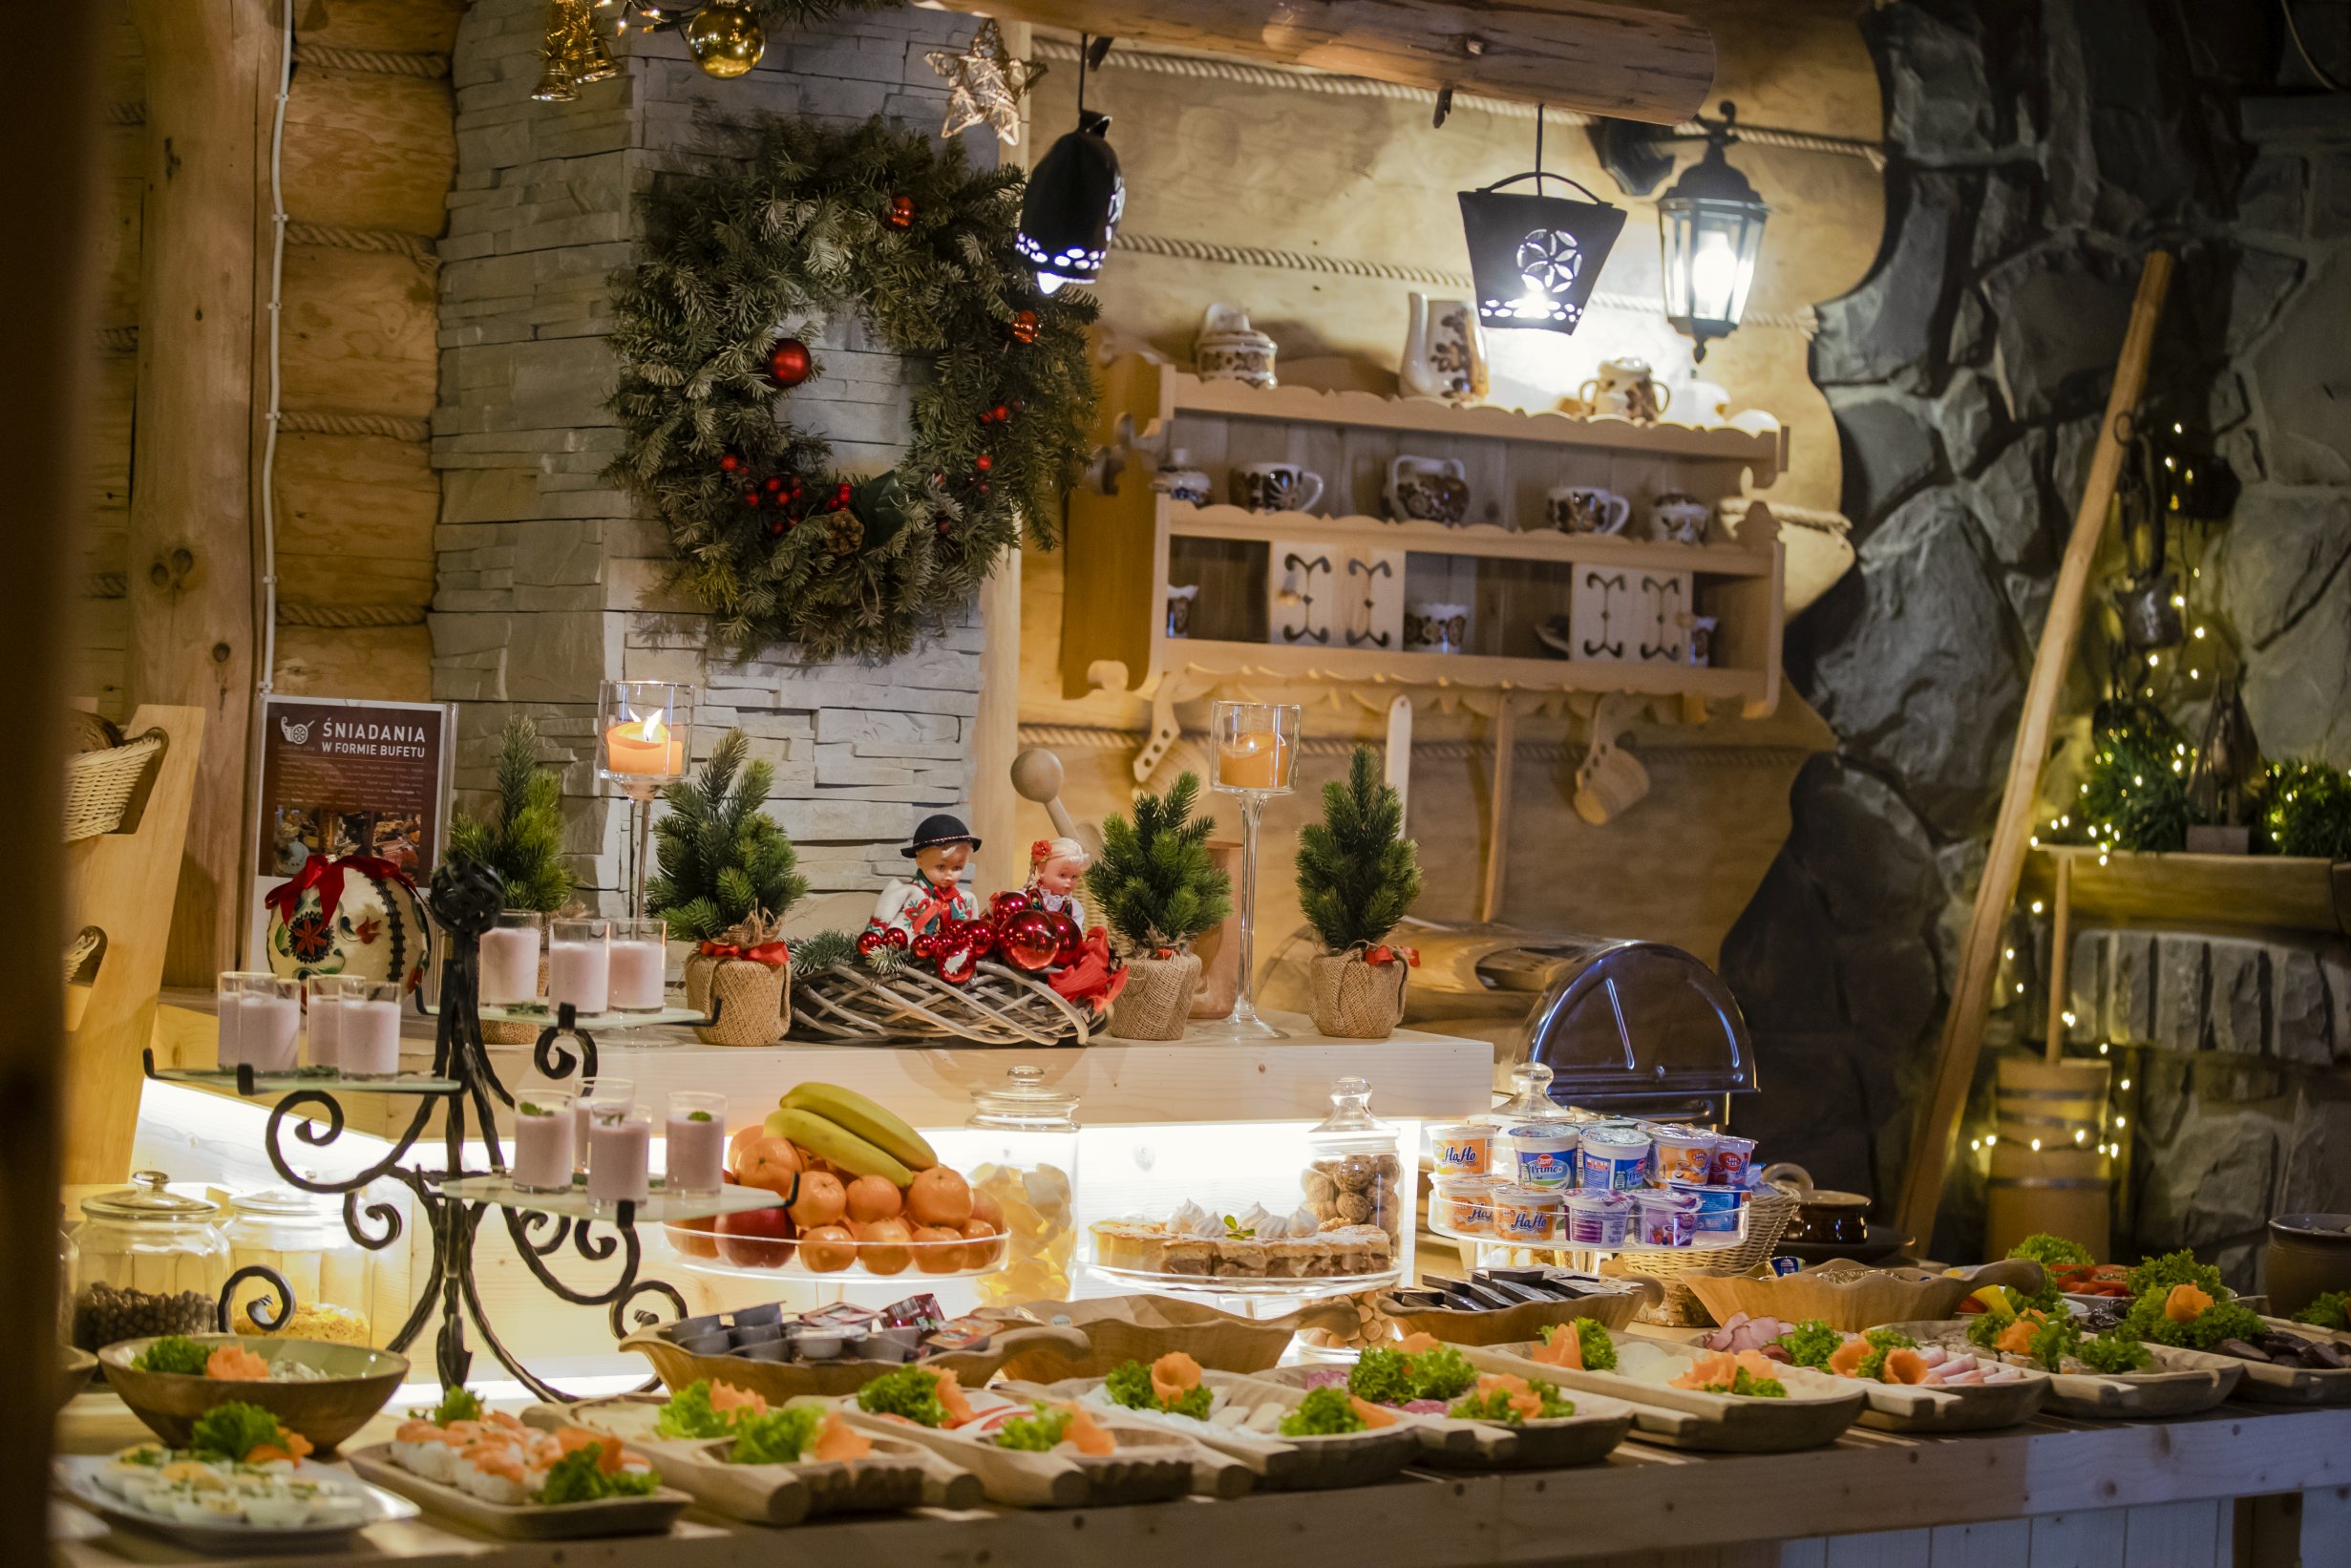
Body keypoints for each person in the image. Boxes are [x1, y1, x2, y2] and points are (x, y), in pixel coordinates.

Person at [870, 813, 982, 941]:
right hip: (904, 945)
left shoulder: (965, 899)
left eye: (957, 868)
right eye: (941, 866)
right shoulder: (908, 892)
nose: (949, 874)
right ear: (920, 862)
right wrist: (874, 939)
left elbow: (974, 932)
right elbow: (884, 916)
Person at [1025, 835, 1090, 928]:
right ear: (1042, 870)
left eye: (1074, 876)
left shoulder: (1074, 908)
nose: (1069, 881)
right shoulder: (1026, 899)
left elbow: (1076, 933)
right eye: (1062, 875)